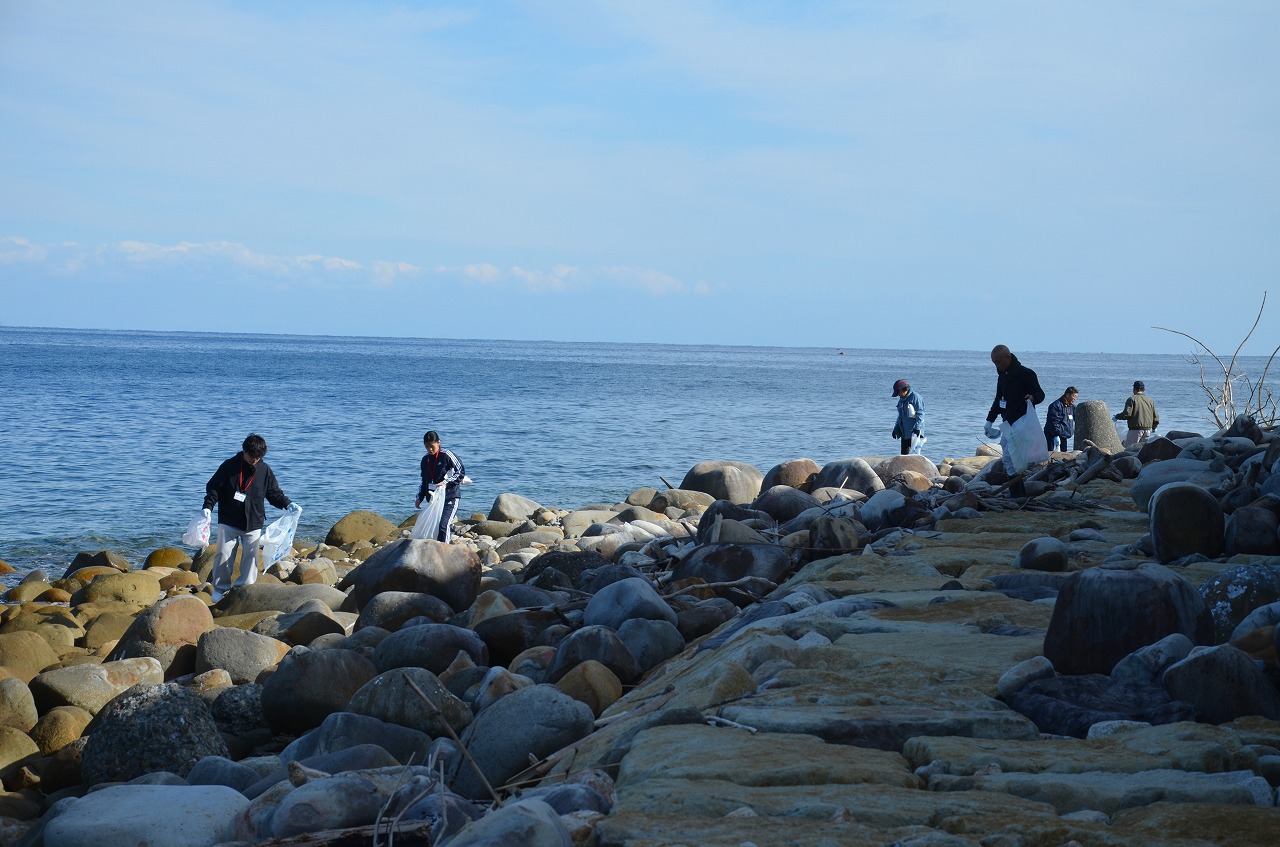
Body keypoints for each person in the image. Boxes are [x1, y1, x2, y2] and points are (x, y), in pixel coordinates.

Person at [202, 433, 295, 601]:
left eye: (259, 457)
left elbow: (274, 493)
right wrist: (208, 507)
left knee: (251, 557)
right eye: (252, 456)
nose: (255, 460)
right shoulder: (229, 466)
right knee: (223, 554)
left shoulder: (264, 470)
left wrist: (288, 504)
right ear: (244, 451)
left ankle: (244, 588)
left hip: (253, 521)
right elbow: (214, 488)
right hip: (229, 519)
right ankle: (220, 587)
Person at [984, 345, 1046, 477]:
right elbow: (998, 400)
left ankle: (1016, 487)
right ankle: (1017, 486)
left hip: (1022, 422)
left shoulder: (1026, 374)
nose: (997, 366)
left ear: (1008, 357)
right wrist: (989, 421)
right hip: (1008, 423)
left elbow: (1040, 394)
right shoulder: (1002, 377)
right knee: (1009, 458)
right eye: (994, 363)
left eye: (998, 362)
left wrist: (1033, 398)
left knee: (1010, 458)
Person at [416, 430, 465, 543]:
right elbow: (424, 480)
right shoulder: (425, 460)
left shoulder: (446, 455)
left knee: (444, 525)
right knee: (434, 527)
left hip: (450, 496)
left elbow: (460, 472)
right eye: (427, 446)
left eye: (432, 446)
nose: (430, 449)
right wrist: (420, 497)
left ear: (438, 442)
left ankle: (445, 550)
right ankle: (436, 549)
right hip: (435, 499)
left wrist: (446, 482)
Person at [1115, 380, 1159, 449]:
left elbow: (1127, 414)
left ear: (1134, 389)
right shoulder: (1150, 401)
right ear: (1143, 389)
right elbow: (1156, 417)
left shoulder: (1132, 399)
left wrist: (1117, 416)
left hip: (1135, 430)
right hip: (1148, 430)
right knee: (1142, 450)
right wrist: (1154, 428)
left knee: (1130, 449)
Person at [890, 379, 924, 455]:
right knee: (904, 455)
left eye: (898, 393)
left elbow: (920, 414)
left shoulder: (916, 398)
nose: (898, 395)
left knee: (914, 456)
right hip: (904, 433)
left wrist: (917, 428)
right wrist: (896, 428)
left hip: (914, 433)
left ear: (904, 390)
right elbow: (900, 416)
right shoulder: (902, 400)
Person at [1044, 386, 1078, 452]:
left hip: (1064, 436)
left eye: (1076, 397)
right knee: (1051, 454)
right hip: (1052, 436)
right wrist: (1056, 435)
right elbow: (1053, 422)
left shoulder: (1072, 407)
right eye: (1074, 396)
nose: (1075, 399)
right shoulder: (1056, 406)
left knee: (1064, 454)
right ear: (1067, 395)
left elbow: (1077, 419)